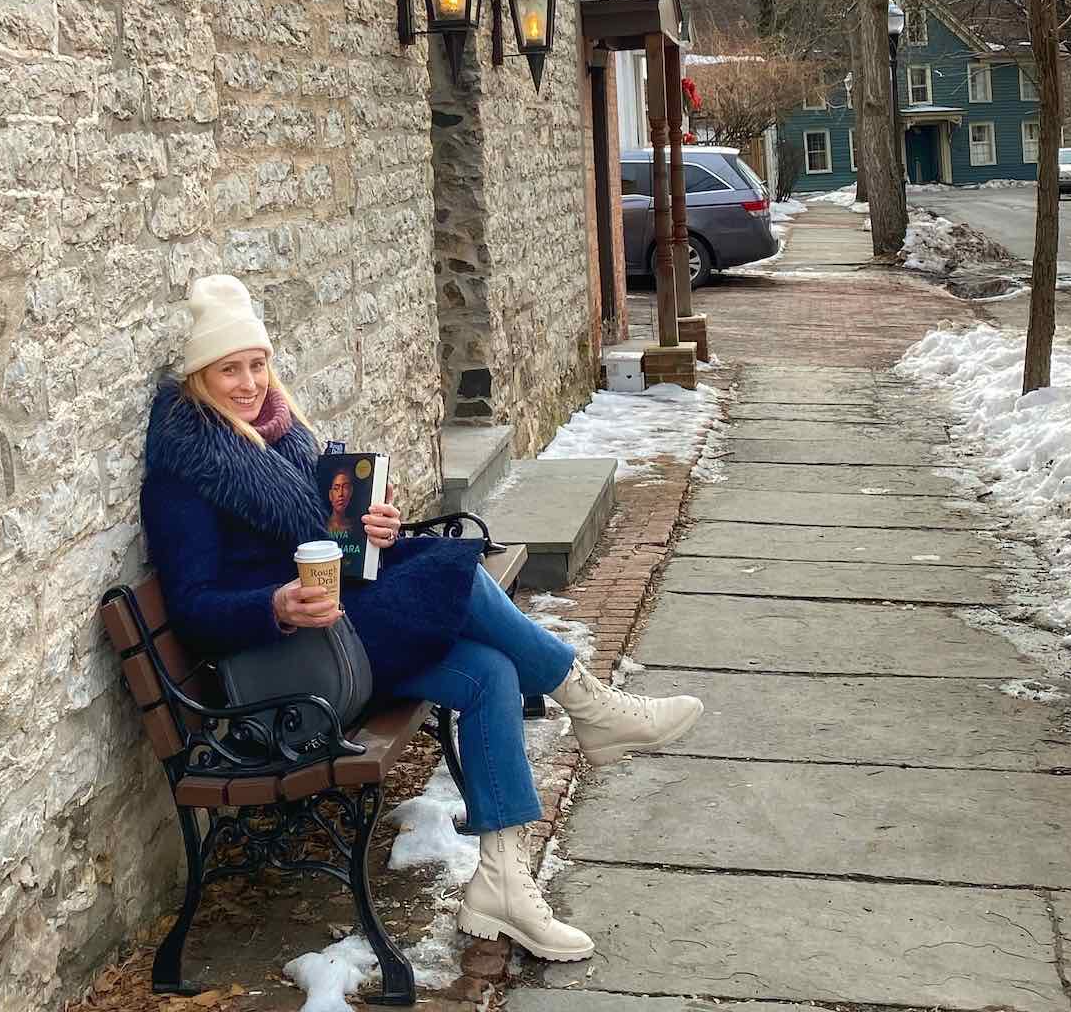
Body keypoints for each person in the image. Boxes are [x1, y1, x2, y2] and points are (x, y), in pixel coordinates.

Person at [143, 274, 703, 962]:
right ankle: (589, 704)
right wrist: (275, 605)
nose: (249, 382)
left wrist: (369, 531)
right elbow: (193, 608)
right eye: (228, 369)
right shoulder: (187, 469)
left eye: (257, 364)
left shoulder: (281, 437)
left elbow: (329, 546)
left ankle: (501, 881)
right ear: (200, 377)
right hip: (284, 669)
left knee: (490, 671)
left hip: (339, 636)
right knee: (455, 575)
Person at [324, 465, 355, 534]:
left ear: (351, 492)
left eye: (345, 487)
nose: (340, 493)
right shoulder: (321, 526)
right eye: (336, 488)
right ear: (330, 495)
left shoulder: (355, 527)